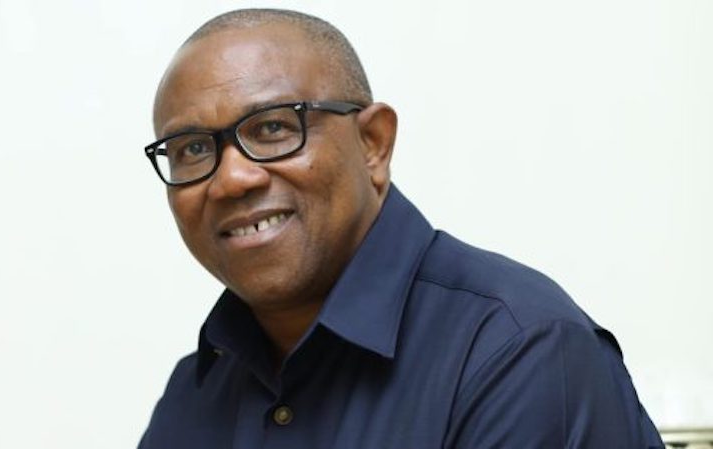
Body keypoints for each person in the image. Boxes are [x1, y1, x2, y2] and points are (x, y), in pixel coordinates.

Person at [138, 8, 664, 449]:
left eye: (274, 127)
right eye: (192, 150)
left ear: (373, 144)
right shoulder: (194, 391)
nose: (231, 178)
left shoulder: (519, 351)